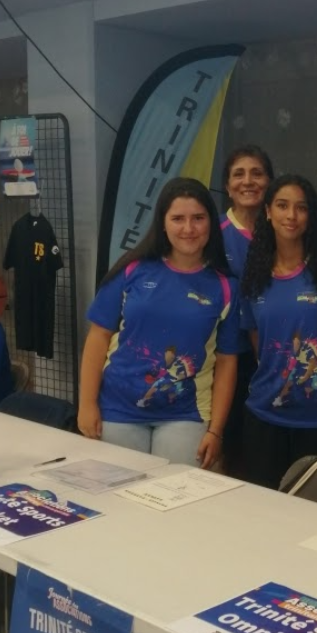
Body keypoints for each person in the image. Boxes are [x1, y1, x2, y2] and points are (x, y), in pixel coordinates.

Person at [78, 177, 240, 468]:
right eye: (178, 218)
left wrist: (216, 430)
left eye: (198, 218)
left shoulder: (225, 287)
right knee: (117, 492)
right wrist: (87, 404)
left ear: (211, 224)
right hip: (117, 409)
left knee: (174, 495)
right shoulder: (132, 269)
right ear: (163, 223)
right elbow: (98, 336)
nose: (188, 228)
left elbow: (227, 361)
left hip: (185, 414)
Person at [241, 174, 317, 489]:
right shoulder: (254, 276)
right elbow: (257, 343)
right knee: (263, 509)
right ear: (268, 211)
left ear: (311, 216)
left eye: (301, 208)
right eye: (282, 205)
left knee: (313, 510)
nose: (291, 215)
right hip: (263, 414)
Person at [219, 145, 274, 477]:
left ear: (269, 182)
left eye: (257, 173)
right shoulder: (212, 234)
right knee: (227, 449)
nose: (248, 181)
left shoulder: (284, 230)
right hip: (226, 358)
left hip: (273, 358)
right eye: (239, 174)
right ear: (227, 186)